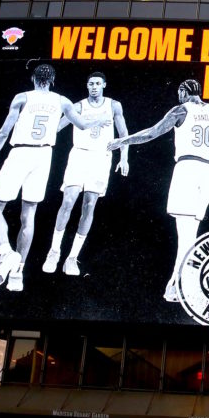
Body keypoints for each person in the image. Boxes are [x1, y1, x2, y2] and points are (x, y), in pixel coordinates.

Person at [0, 63, 107, 292]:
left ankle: (6, 253)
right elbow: (83, 124)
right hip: (44, 157)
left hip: (21, 153)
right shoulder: (63, 101)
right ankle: (18, 274)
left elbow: (3, 133)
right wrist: (99, 120)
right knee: (29, 214)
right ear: (53, 80)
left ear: (33, 79)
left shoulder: (22, 98)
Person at [108, 79, 209, 302]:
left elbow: (152, 133)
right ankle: (180, 282)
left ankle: (178, 283)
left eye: (180, 93)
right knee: (190, 231)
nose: (179, 97)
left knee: (186, 233)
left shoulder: (181, 110)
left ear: (185, 92)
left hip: (188, 168)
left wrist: (123, 141)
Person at [42, 72, 129, 276]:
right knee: (68, 201)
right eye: (91, 83)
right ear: (87, 86)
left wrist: (124, 158)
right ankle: (54, 251)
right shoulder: (78, 106)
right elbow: (57, 127)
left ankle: (72, 258)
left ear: (104, 85)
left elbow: (124, 134)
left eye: (98, 83)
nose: (94, 87)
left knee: (89, 206)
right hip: (79, 156)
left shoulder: (114, 105)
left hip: (101, 158)